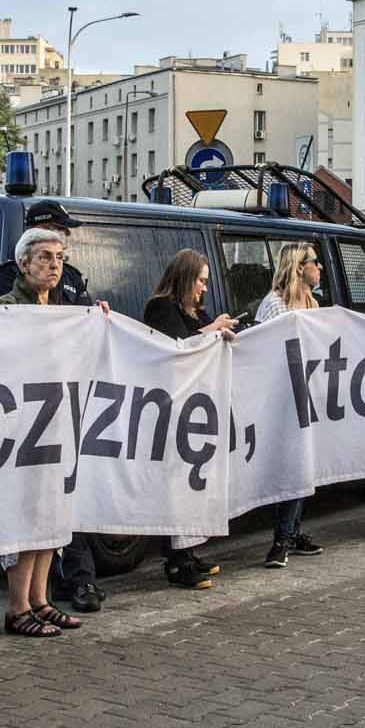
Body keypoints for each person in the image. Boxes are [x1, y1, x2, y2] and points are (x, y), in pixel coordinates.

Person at [0, 201, 102, 609]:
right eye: (45, 258)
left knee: (51, 517)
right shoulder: (8, 305)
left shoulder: (60, 310)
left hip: (56, 424)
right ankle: (18, 607)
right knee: (26, 518)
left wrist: (95, 321)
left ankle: (40, 601)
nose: (54, 266)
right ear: (24, 264)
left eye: (59, 258)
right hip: (23, 427)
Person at [141, 248, 237, 583]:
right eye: (200, 280)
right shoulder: (160, 307)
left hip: (197, 408)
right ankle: (175, 560)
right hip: (171, 408)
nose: (204, 288)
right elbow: (176, 347)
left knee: (193, 484)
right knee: (175, 484)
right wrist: (213, 329)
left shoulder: (194, 310)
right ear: (184, 278)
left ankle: (188, 550)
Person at [255, 243, 328, 568]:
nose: (321, 268)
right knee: (291, 465)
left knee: (304, 464)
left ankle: (292, 532)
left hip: (308, 393)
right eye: (315, 262)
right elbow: (264, 348)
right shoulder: (275, 305)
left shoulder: (314, 303)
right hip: (280, 396)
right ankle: (282, 538)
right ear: (299, 267)